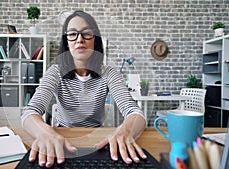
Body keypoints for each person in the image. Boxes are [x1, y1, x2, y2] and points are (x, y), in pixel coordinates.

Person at [21, 10, 147, 168]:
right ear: (67, 41)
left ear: (95, 40)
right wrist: (44, 132)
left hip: (96, 139)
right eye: (72, 34)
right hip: (61, 138)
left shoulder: (108, 73)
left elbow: (136, 113)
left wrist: (125, 131)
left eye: (87, 33)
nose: (79, 39)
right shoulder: (55, 71)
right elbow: (29, 112)